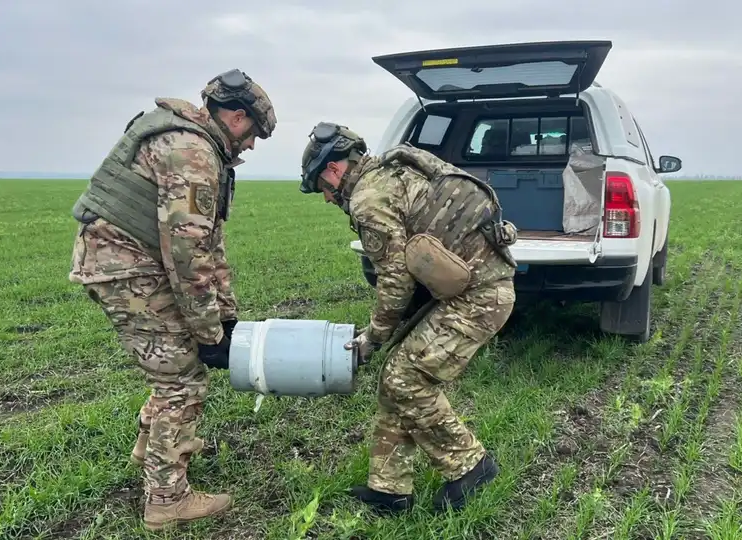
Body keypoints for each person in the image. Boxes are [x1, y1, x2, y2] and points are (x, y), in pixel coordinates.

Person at [68, 69, 276, 531]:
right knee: (181, 382)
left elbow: (210, 244)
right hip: (130, 271)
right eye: (254, 134)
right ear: (237, 117)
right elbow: (187, 254)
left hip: (124, 266)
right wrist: (208, 333)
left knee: (173, 368)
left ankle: (149, 449)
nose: (251, 145)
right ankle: (166, 500)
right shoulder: (193, 152)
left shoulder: (189, 141)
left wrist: (226, 316)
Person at [297, 122, 518, 514]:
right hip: (476, 288)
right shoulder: (393, 169)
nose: (328, 198)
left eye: (322, 189)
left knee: (406, 378)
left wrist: (373, 337)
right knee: (394, 377)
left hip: (479, 298)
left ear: (333, 170)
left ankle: (471, 466)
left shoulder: (368, 199)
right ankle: (389, 489)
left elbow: (395, 281)